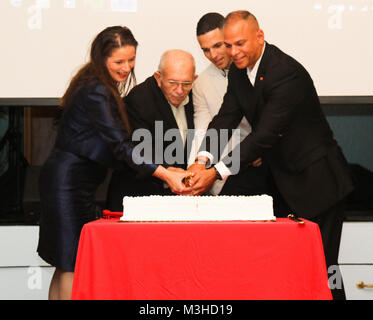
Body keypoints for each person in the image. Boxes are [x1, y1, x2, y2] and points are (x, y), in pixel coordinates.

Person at [188, 11, 354, 298]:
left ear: (259, 37)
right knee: (286, 269)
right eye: (228, 45)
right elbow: (226, 118)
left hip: (318, 183)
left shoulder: (285, 72)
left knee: (325, 269)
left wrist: (214, 173)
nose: (233, 52)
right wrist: (201, 160)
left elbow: (264, 136)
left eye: (239, 44)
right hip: (284, 182)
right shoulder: (240, 71)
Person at [37, 27, 191, 300]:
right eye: (118, 61)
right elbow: (121, 146)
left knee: (65, 264)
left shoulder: (94, 81)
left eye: (131, 60)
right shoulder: (97, 90)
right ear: (101, 58)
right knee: (71, 264)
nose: (127, 67)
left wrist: (165, 170)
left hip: (70, 182)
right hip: (69, 185)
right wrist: (166, 174)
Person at [106, 49, 197, 211]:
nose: (179, 90)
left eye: (186, 84)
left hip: (180, 198)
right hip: (140, 196)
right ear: (158, 78)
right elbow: (140, 149)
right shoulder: (139, 99)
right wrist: (170, 171)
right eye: (173, 83)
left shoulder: (196, 97)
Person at [190, 12, 267, 196]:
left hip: (267, 161)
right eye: (206, 50)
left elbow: (273, 126)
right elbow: (208, 128)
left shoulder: (256, 69)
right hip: (231, 167)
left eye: (218, 46)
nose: (213, 55)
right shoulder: (202, 83)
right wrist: (197, 166)